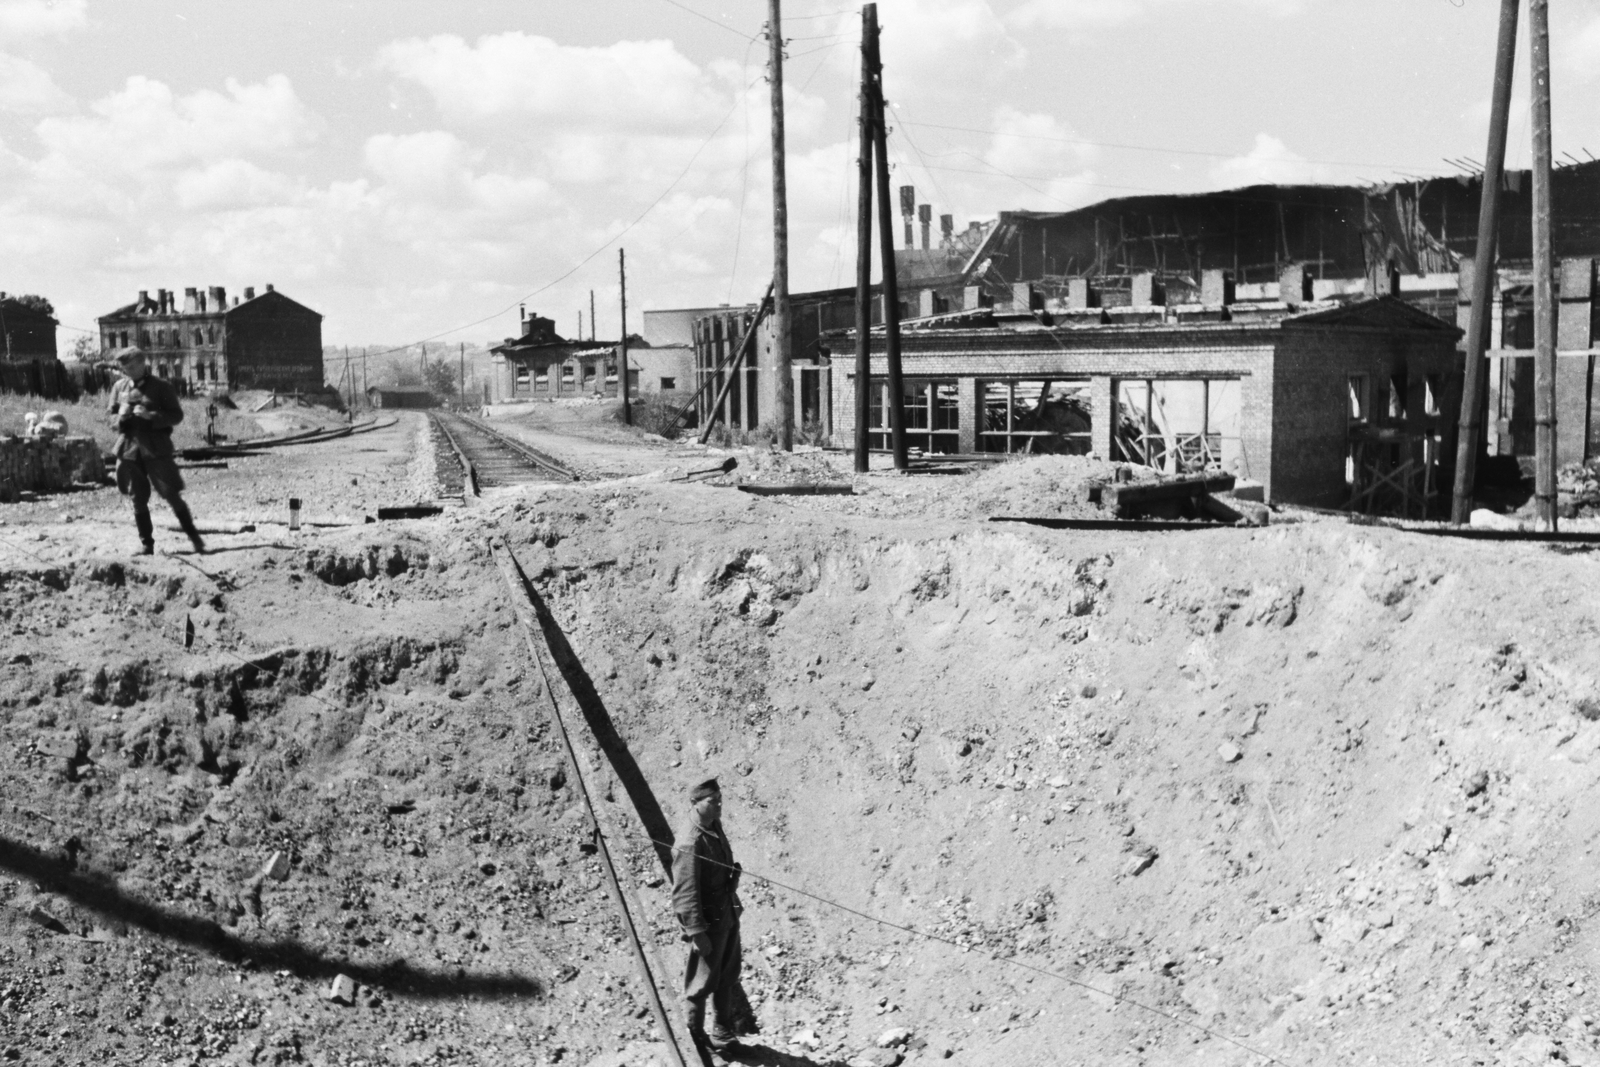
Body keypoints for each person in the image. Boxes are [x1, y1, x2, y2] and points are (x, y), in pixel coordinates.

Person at [672, 778, 749, 1055]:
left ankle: (723, 1035)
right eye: (712, 800)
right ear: (694, 803)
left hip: (727, 912)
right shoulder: (689, 843)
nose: (718, 805)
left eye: (719, 799)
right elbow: (684, 894)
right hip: (708, 923)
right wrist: (697, 933)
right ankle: (695, 1041)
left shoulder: (713, 825)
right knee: (700, 983)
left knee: (728, 975)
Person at [106, 348, 205, 556]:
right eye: (125, 368)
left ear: (143, 364)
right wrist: (120, 418)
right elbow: (110, 419)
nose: (128, 372)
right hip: (130, 449)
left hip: (156, 449)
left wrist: (151, 415)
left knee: (170, 493)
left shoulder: (161, 387)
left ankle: (195, 540)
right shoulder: (119, 387)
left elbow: (176, 416)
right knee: (137, 497)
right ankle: (147, 545)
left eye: (132, 367)